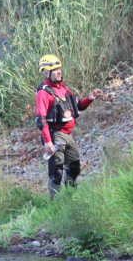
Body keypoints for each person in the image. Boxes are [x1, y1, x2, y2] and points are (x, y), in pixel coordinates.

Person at [35, 54, 102, 199]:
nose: (59, 71)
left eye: (59, 68)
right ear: (46, 73)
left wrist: (89, 98)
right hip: (55, 135)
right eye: (55, 69)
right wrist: (47, 141)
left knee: (74, 166)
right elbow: (41, 119)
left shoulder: (64, 88)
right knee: (56, 171)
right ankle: (55, 204)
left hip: (68, 135)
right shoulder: (43, 93)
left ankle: (70, 196)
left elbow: (77, 106)